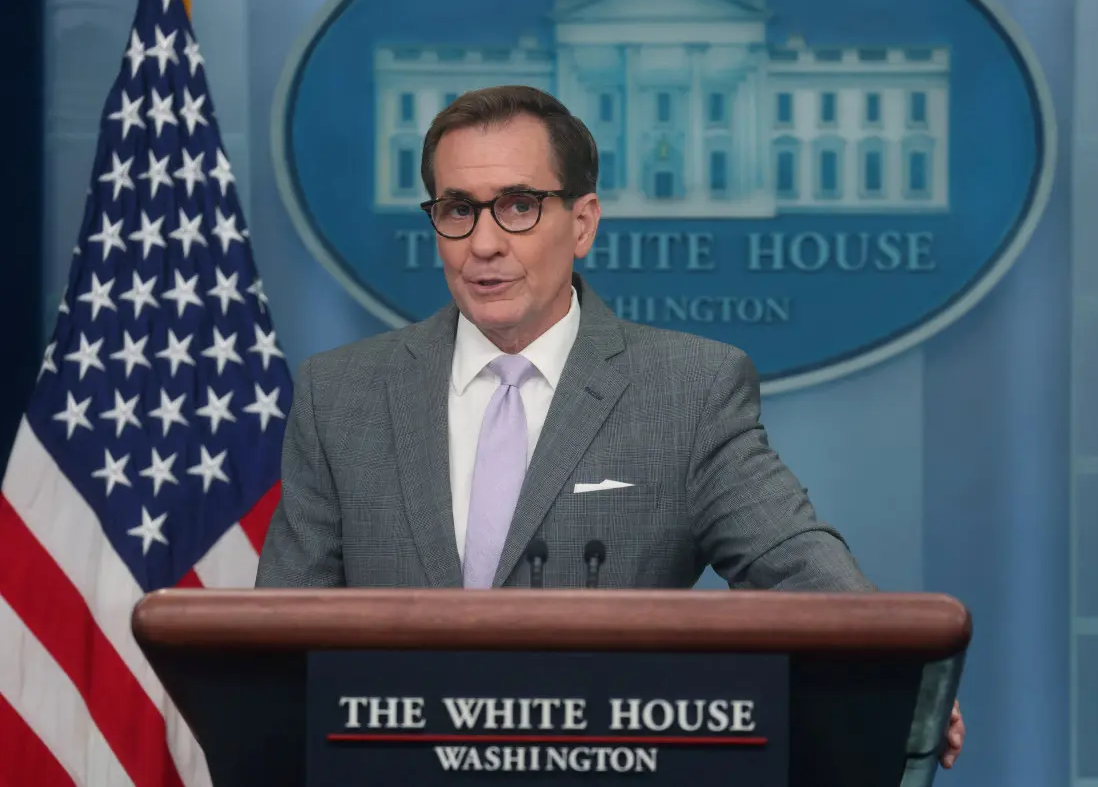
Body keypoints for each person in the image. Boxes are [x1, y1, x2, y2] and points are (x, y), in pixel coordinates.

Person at [254, 84, 963, 766]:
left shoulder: (687, 391)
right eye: (458, 209)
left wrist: (897, 669)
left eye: (519, 206)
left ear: (583, 222)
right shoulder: (339, 395)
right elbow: (274, 643)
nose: (485, 242)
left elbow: (791, 557)